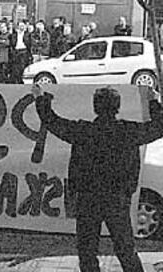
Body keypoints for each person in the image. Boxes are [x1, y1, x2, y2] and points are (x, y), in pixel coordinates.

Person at [32, 84, 163, 272]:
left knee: (87, 252)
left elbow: (51, 121)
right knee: (126, 250)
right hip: (117, 199)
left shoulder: (83, 131)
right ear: (117, 107)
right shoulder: (127, 132)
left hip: (88, 198)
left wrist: (41, 98)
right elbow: (158, 127)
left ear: (95, 107)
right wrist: (153, 101)